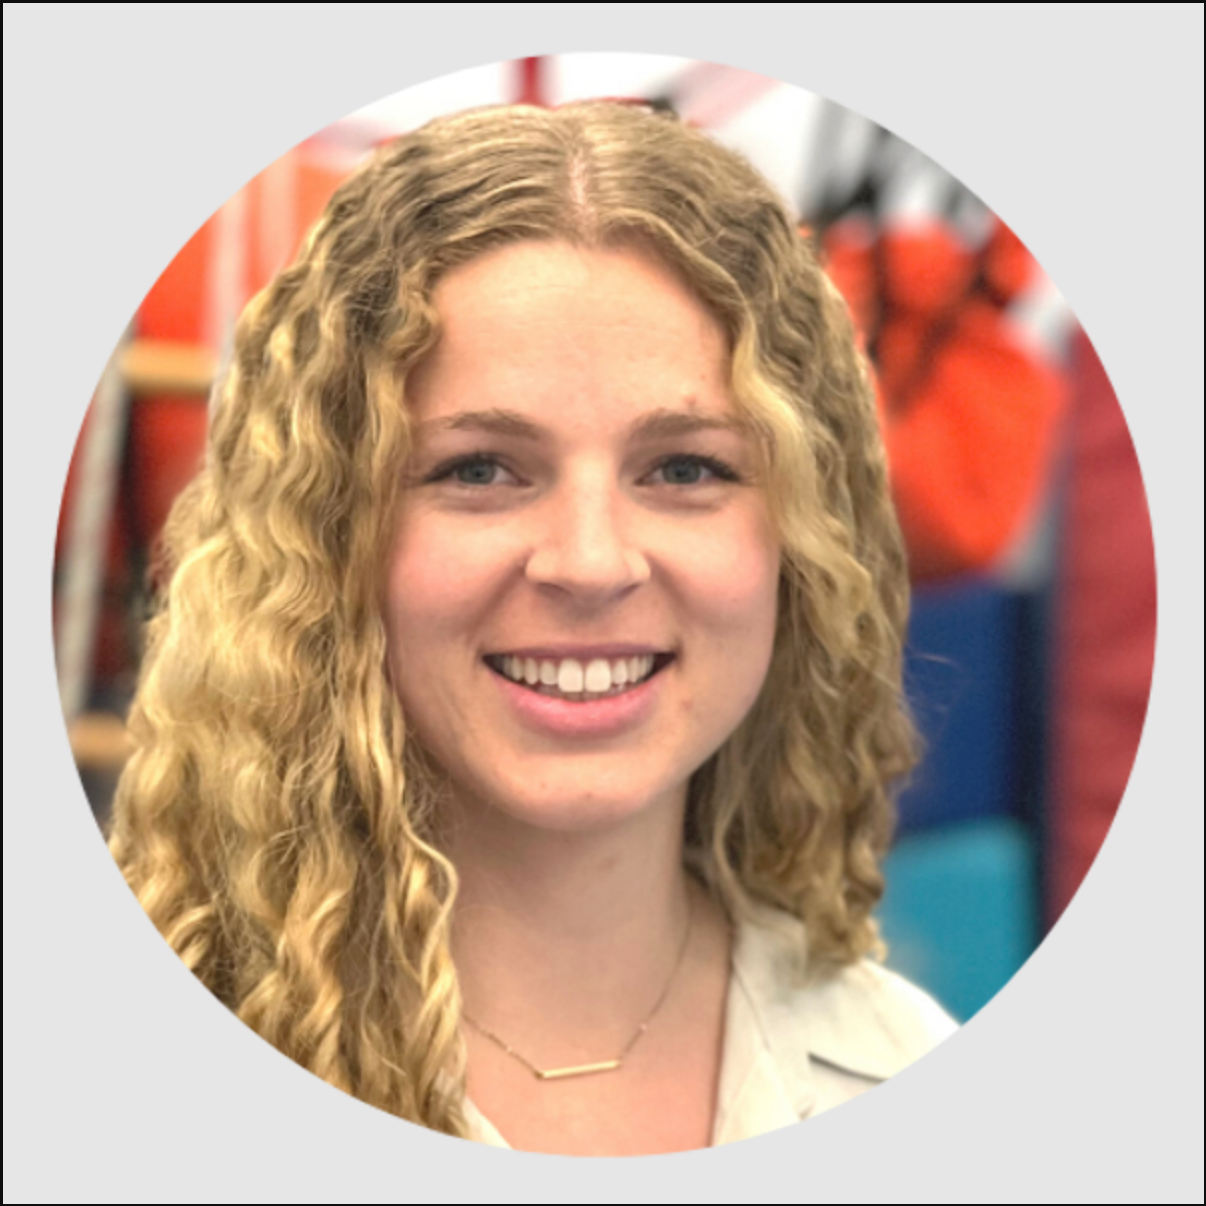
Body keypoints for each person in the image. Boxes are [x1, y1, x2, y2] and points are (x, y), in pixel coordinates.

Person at [105, 100, 956, 1157]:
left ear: (803, 541)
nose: (591, 563)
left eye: (685, 468)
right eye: (479, 470)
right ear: (327, 535)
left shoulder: (904, 1066)